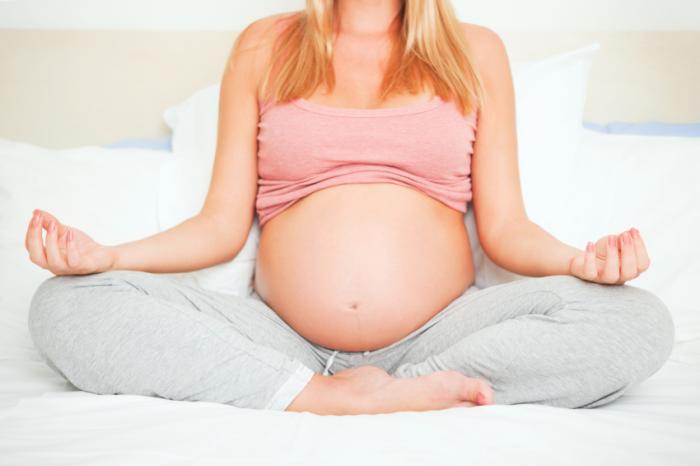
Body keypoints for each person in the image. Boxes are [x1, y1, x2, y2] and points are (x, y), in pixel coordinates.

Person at [25, 0, 674, 416]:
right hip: (280, 339)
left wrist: (581, 263)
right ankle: (316, 396)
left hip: (444, 334)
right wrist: (108, 256)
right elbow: (220, 226)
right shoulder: (264, 45)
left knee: (637, 322)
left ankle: (409, 387)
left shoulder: (475, 50)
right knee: (65, 303)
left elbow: (505, 230)